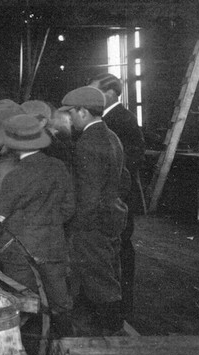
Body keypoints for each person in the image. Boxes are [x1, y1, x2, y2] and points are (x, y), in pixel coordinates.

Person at [0, 114, 75, 332]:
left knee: (23, 304)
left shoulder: (14, 176)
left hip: (20, 251)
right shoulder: (59, 167)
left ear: (14, 144)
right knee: (59, 303)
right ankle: (65, 350)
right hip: (53, 246)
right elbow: (68, 208)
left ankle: (29, 349)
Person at [61, 86, 129, 333]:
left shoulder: (87, 144)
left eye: (71, 113)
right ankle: (109, 327)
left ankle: (111, 333)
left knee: (100, 280)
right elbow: (124, 180)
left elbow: (88, 195)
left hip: (92, 224)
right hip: (111, 216)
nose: (69, 119)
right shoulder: (111, 137)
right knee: (107, 273)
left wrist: (76, 226)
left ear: (82, 112)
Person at [89, 73, 145, 320]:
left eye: (94, 91)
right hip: (109, 196)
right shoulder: (106, 118)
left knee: (121, 248)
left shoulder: (123, 119)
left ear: (110, 93)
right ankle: (112, 304)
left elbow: (132, 159)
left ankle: (124, 306)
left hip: (118, 197)